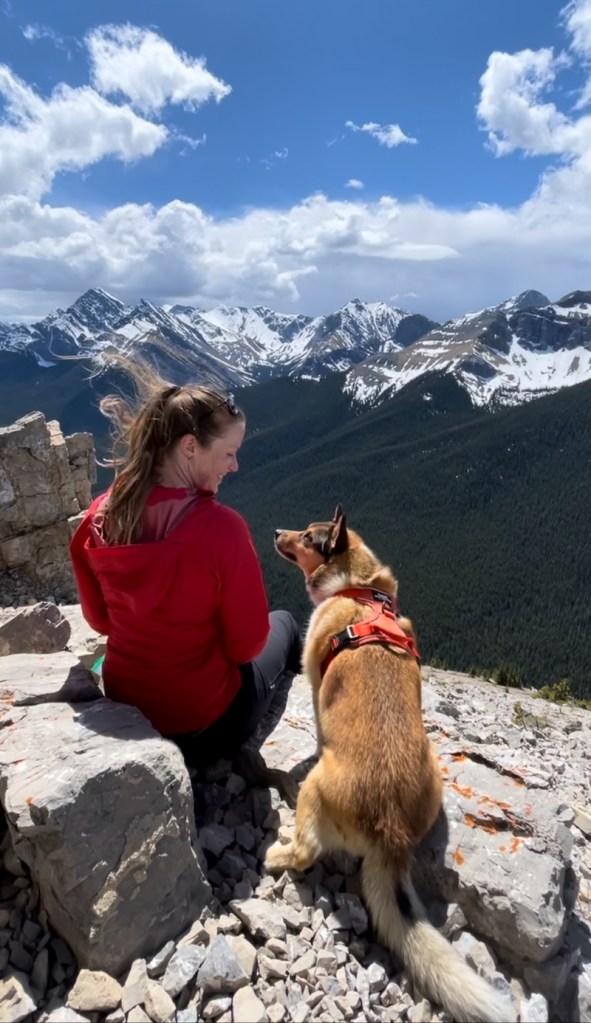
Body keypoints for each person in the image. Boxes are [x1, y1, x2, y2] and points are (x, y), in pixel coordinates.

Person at [69, 358, 300, 770]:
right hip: (203, 725)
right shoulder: (222, 530)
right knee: (284, 624)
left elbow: (101, 622)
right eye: (228, 453)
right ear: (189, 447)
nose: (234, 466)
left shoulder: (98, 518)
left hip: (128, 709)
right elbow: (246, 646)